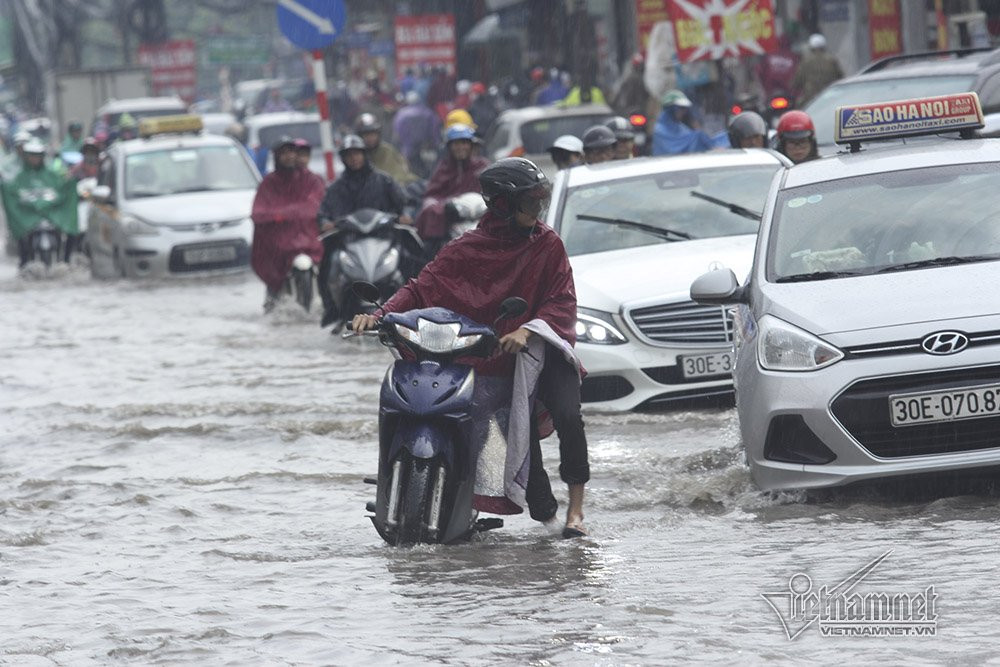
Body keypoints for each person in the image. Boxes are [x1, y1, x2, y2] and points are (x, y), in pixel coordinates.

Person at [351, 157, 590, 538]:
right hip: (491, 356)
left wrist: (528, 331)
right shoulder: (466, 248)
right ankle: (476, 505)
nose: (537, 211)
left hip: (540, 350)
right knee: (521, 470)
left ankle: (576, 510)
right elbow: (420, 287)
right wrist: (379, 313)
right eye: (529, 203)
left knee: (567, 414)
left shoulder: (548, 245)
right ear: (502, 206)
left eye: (538, 202)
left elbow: (560, 300)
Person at [316, 134, 409, 328]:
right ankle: (332, 309)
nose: (354, 158)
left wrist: (405, 216)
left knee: (410, 259)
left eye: (357, 153)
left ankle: (414, 307)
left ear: (365, 155)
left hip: (383, 238)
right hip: (348, 241)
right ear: (343, 158)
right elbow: (323, 213)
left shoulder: (384, 181)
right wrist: (326, 222)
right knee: (327, 265)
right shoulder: (336, 187)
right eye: (349, 155)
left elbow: (405, 203)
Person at [250, 136, 325, 312]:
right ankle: (272, 299)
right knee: (273, 284)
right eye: (283, 153)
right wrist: (278, 216)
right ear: (276, 156)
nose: (289, 156)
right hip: (279, 246)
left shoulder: (311, 180)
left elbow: (317, 203)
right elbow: (258, 212)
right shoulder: (269, 183)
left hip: (309, 242)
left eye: (291, 152)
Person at [415, 123, 490, 259]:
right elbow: (432, 195)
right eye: (456, 144)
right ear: (449, 147)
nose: (460, 148)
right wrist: (443, 207)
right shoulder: (443, 168)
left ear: (471, 145)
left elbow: (492, 192)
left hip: (479, 221)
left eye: (464, 143)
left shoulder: (482, 166)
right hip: (450, 222)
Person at [1, 138, 78, 266]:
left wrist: (70, 182)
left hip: (52, 215)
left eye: (37, 156)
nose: (34, 159)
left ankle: (66, 259)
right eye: (31, 156)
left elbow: (62, 189)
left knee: (71, 233)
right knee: (21, 235)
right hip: (29, 217)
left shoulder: (52, 174)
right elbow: (13, 192)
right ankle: (24, 260)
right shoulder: (21, 176)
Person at [355, 112, 418, 185]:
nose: (370, 138)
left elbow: (399, 177)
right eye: (366, 134)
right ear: (359, 136)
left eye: (373, 133)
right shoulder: (356, 155)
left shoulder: (387, 151)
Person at [651, 90, 719, 155]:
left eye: (685, 108)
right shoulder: (659, 130)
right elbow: (672, 152)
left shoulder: (681, 128)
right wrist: (698, 137)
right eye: (681, 108)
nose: (684, 112)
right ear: (671, 109)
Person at [392, 90, 441, 178]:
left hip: (408, 148)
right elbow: (434, 129)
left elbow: (397, 131)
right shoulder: (428, 112)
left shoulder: (402, 114)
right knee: (427, 171)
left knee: (408, 170)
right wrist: (435, 143)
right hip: (425, 148)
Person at [793, 34, 844, 107]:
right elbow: (841, 77)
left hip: (811, 98)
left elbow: (797, 81)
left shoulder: (806, 61)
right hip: (830, 96)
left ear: (811, 47)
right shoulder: (832, 60)